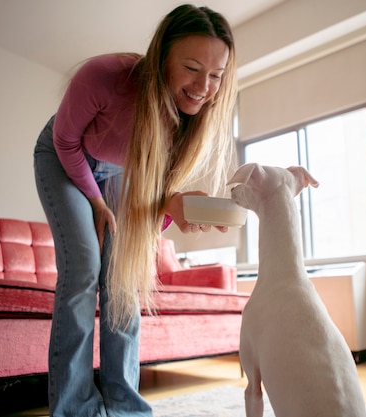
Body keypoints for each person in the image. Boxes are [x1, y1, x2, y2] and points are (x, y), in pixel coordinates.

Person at [33, 4, 237, 417]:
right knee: (85, 267)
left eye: (216, 76)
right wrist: (96, 201)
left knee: (124, 277)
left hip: (120, 170)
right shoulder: (104, 76)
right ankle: (74, 409)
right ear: (162, 57)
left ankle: (124, 406)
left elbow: (149, 212)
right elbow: (66, 142)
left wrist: (173, 206)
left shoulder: (185, 121)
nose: (204, 87)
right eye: (193, 68)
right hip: (64, 156)